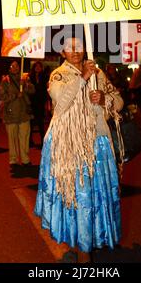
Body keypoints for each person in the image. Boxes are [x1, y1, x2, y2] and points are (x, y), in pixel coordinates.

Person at [34, 37, 123, 263]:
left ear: (85, 50)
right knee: (76, 198)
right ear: (63, 53)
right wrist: (83, 78)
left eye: (79, 47)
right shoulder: (58, 75)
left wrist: (104, 100)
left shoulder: (99, 73)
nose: (75, 51)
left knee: (96, 197)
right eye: (69, 48)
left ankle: (87, 243)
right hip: (69, 148)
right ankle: (79, 247)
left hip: (98, 143)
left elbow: (119, 101)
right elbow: (61, 104)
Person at [0, 60, 35, 170]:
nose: (15, 68)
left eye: (17, 66)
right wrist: (15, 95)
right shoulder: (5, 81)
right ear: (9, 68)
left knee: (24, 137)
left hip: (24, 113)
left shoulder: (24, 78)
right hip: (11, 113)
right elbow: (2, 97)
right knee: (12, 138)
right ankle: (13, 160)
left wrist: (27, 84)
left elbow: (33, 91)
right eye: (13, 66)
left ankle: (25, 159)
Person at [29, 61, 48, 147]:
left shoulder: (44, 77)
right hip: (32, 102)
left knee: (41, 123)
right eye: (36, 66)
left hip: (40, 102)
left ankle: (42, 141)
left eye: (39, 66)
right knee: (31, 123)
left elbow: (46, 89)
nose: (37, 68)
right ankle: (30, 141)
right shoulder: (30, 77)